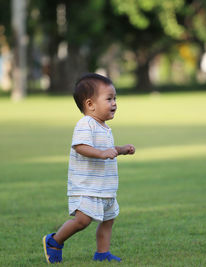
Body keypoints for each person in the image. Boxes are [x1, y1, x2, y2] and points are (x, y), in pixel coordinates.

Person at [42, 73, 135, 263]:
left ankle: (102, 253)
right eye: (109, 99)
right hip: (86, 186)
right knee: (82, 221)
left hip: (105, 187)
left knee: (108, 220)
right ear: (91, 104)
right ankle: (54, 241)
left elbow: (106, 150)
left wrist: (121, 150)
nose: (114, 103)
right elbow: (80, 147)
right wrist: (102, 154)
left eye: (115, 98)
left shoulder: (104, 127)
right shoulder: (86, 124)